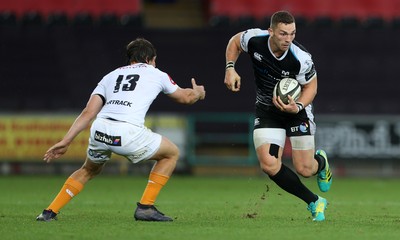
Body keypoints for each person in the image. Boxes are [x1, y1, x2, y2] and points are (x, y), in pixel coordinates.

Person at [36, 38, 206, 222]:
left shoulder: (110, 76)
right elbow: (185, 98)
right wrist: (198, 93)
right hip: (127, 132)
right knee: (171, 153)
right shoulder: (156, 73)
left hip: (100, 129)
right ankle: (145, 207)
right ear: (150, 58)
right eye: (154, 60)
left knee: (88, 170)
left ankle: (49, 212)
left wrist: (66, 141)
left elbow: (88, 112)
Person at [224, 11, 332, 221]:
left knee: (305, 169)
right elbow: (235, 42)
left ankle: (321, 162)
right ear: (271, 31)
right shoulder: (255, 39)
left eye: (292, 34)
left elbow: (311, 87)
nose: (288, 39)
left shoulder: (301, 58)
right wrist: (230, 68)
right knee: (269, 164)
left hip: (297, 112)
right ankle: (314, 201)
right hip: (267, 110)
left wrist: (298, 105)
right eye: (283, 34)